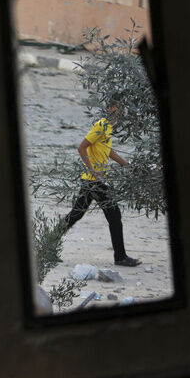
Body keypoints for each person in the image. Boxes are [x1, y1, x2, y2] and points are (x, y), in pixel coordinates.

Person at [63, 95, 141, 267]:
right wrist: (92, 169)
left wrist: (126, 165)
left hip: (91, 181)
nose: (122, 111)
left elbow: (108, 150)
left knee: (76, 215)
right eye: (120, 107)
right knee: (114, 216)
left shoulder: (108, 127)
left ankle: (46, 242)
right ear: (111, 108)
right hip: (94, 181)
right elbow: (81, 146)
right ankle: (120, 257)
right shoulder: (101, 125)